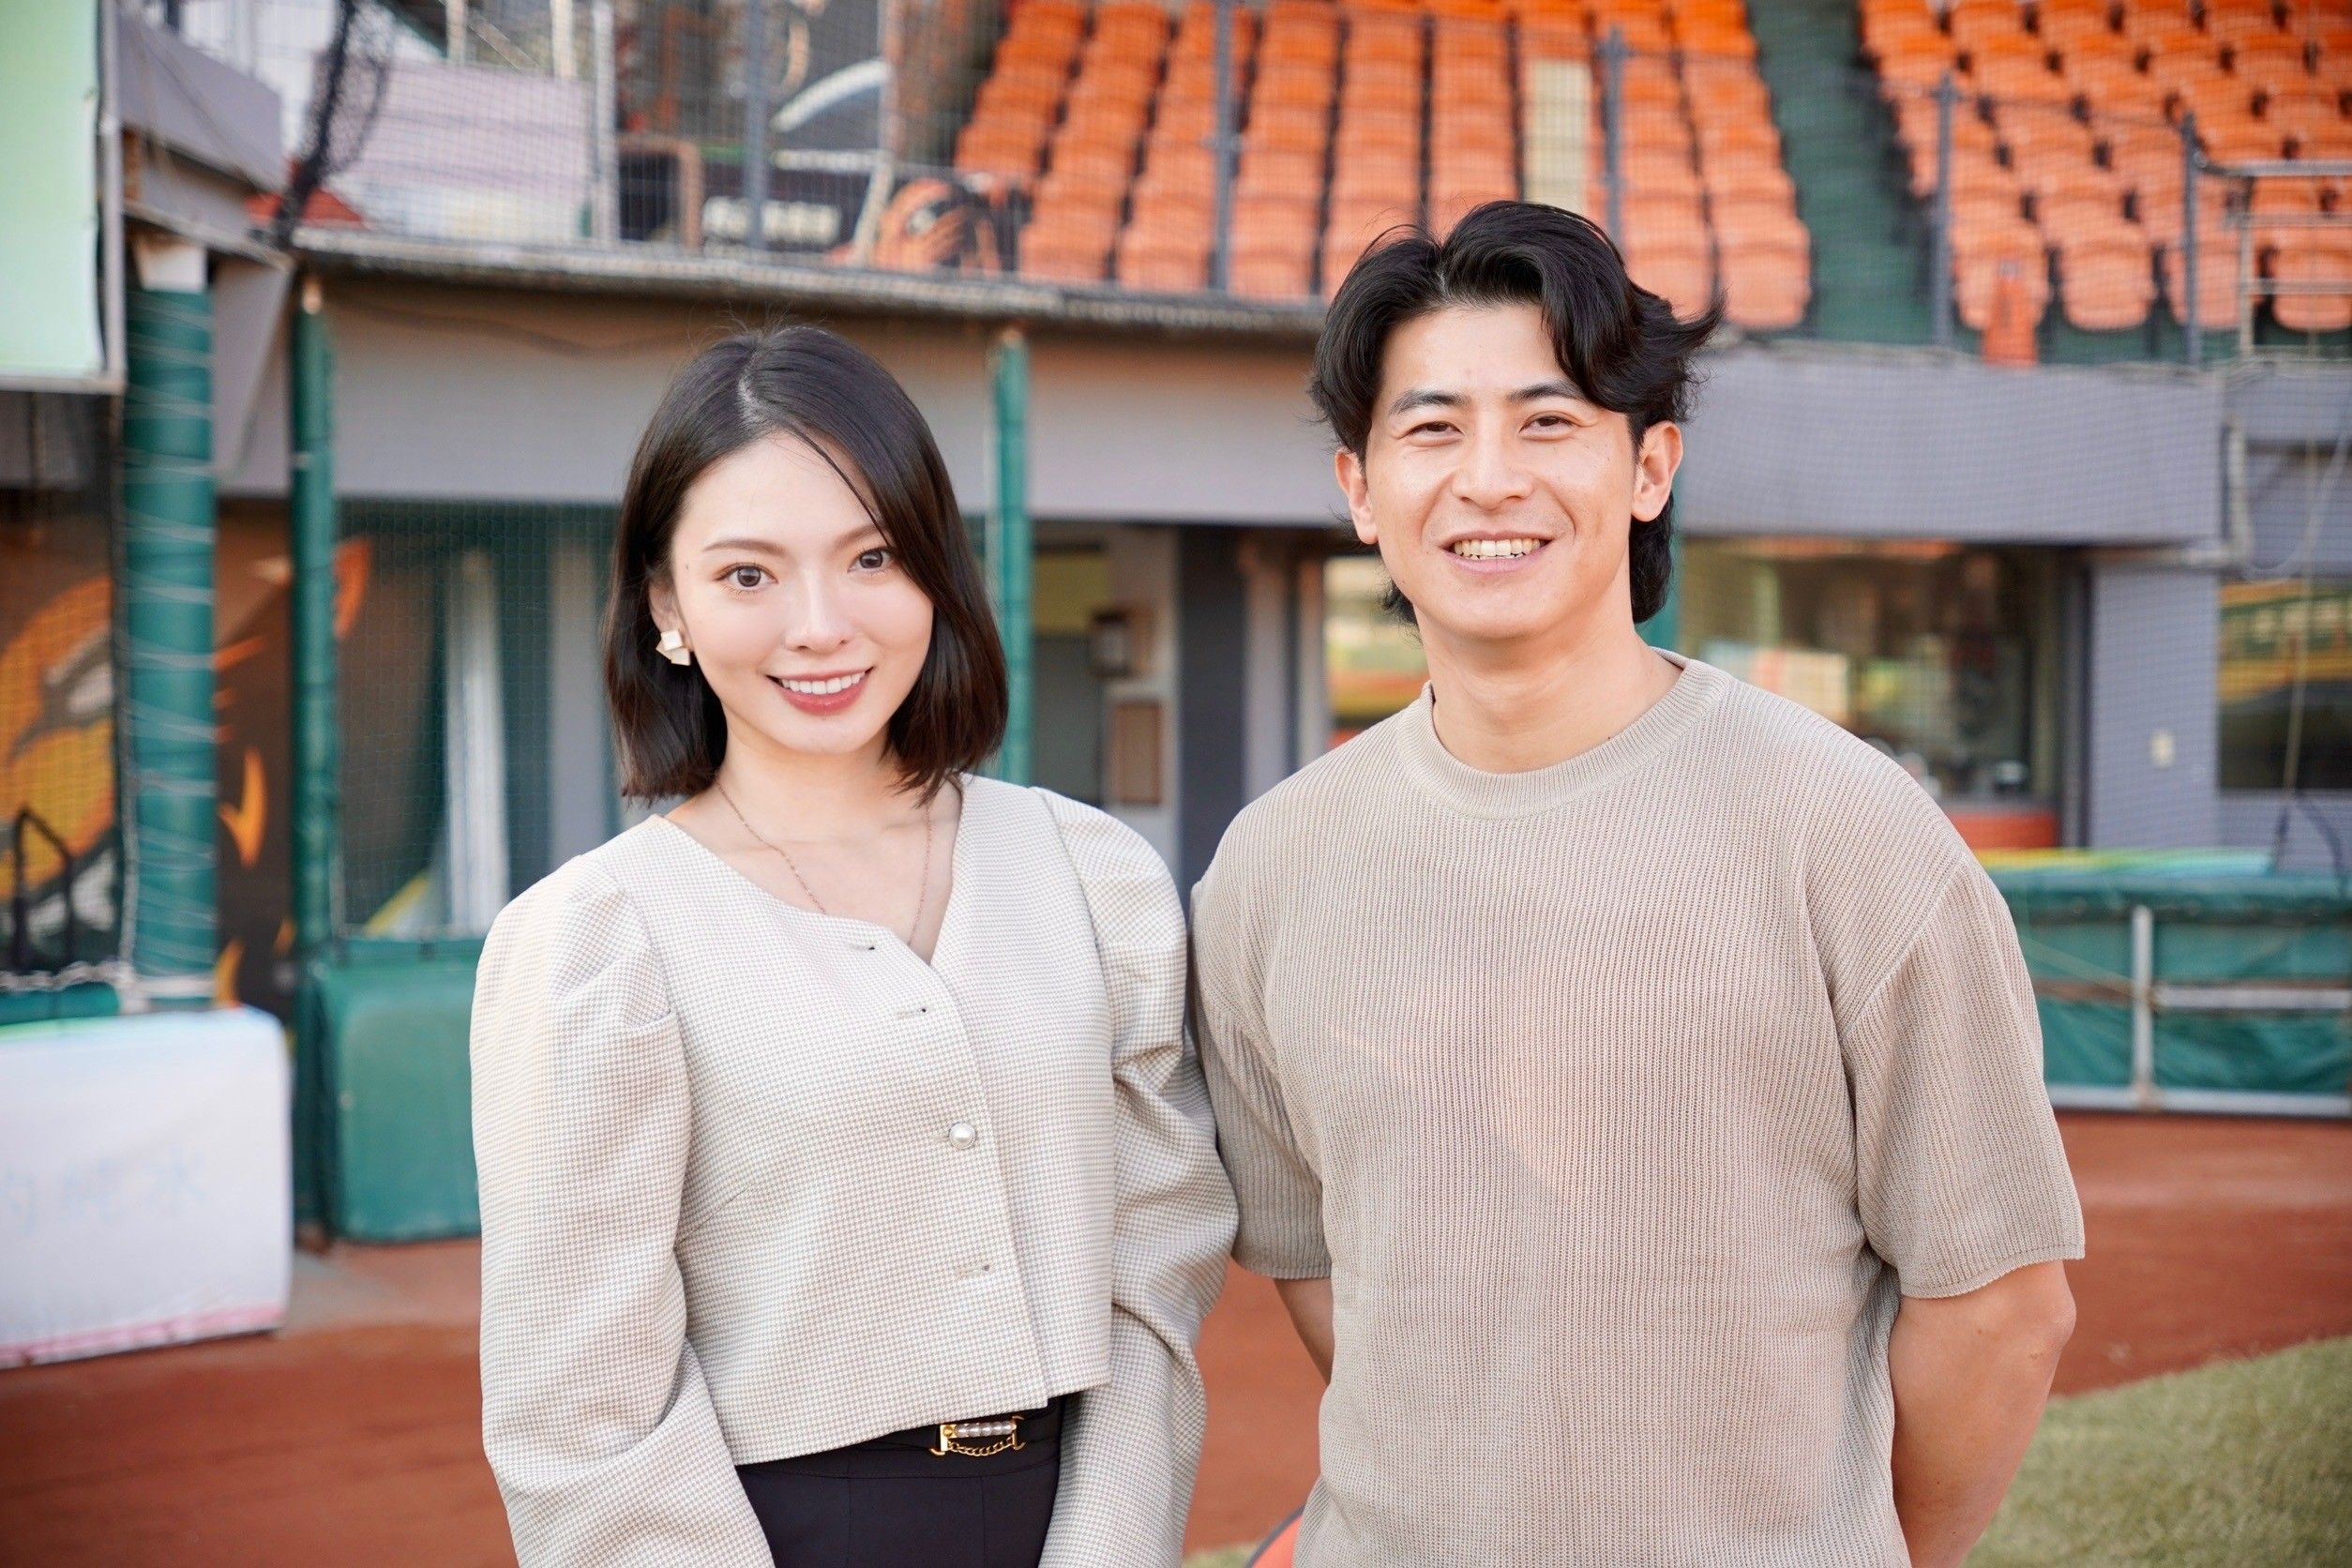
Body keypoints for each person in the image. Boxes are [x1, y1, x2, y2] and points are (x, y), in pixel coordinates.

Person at [1191, 202, 2084, 1568]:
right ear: (1361, 489)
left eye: (1548, 422)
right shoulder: (1270, 867)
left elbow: (2003, 1306)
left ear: (1651, 465)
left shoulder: (1846, 828)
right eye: (1433, 429)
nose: (1489, 479)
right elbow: (1323, 1273)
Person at [471, 325, 1235, 1567]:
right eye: (748, 575)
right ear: (666, 607)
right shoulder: (599, 939)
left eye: (871, 557)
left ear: (934, 572)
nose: (820, 626)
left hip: (1073, 1521)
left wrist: (1109, 1545)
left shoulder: (1091, 876)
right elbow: (579, 1409)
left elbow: (1157, 1267)